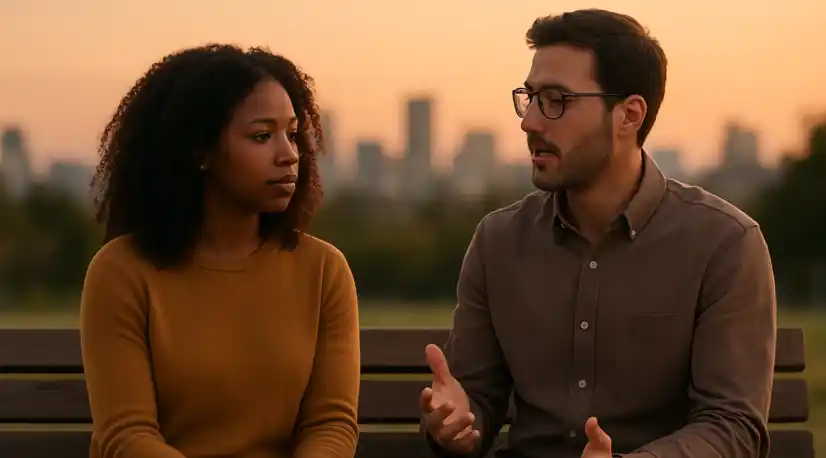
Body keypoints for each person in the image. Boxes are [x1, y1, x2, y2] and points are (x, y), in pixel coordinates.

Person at [420, 9, 776, 458]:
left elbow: (733, 426)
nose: (530, 121)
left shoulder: (724, 244)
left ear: (628, 115)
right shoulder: (499, 241)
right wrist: (456, 424)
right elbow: (475, 402)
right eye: (529, 97)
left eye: (556, 100)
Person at [80, 44, 360, 458]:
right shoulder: (121, 272)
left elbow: (330, 426)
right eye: (263, 136)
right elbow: (128, 436)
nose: (289, 155)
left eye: (293, 133)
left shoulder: (323, 270)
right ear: (200, 151)